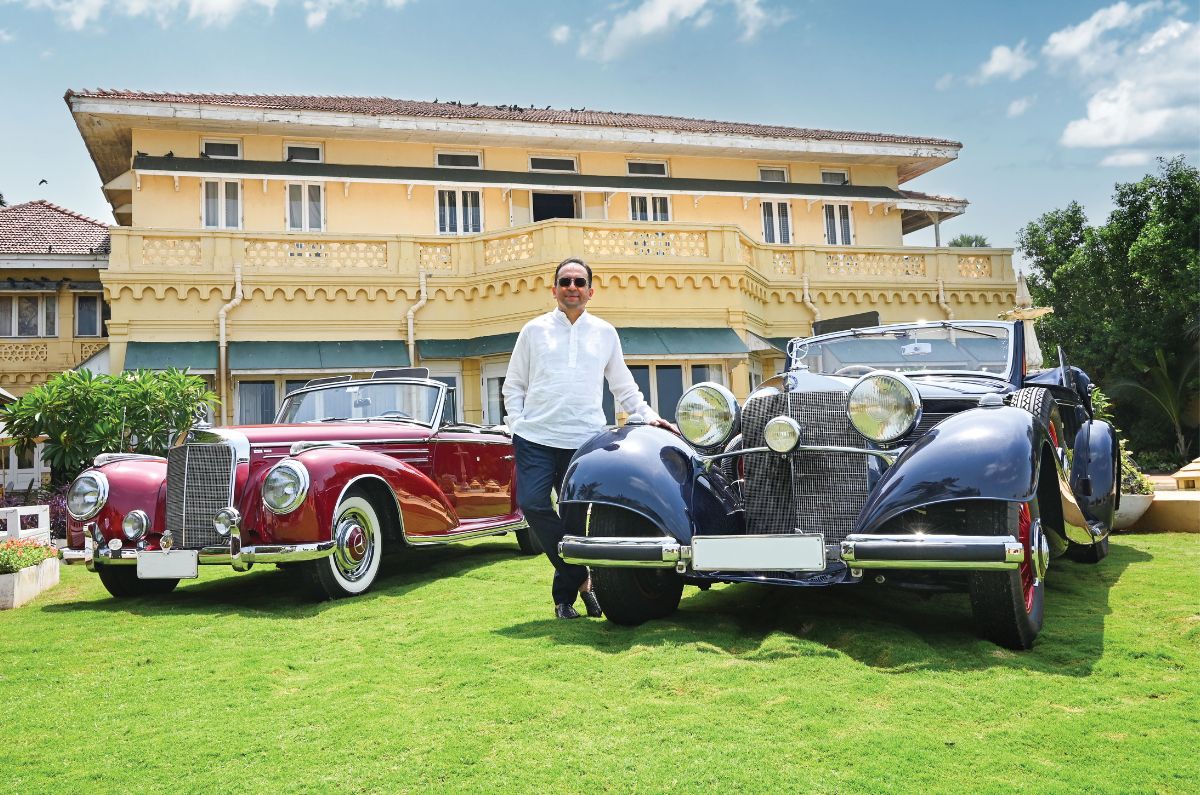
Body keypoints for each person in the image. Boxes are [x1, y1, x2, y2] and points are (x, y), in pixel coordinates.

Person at [503, 257, 677, 619]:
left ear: (590, 291)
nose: (572, 287)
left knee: (572, 523)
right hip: (535, 437)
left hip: (584, 442)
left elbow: (622, 386)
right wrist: (517, 422)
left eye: (579, 282)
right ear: (553, 290)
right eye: (564, 281)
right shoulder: (533, 331)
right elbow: (514, 384)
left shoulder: (604, 332)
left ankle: (564, 600)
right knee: (532, 503)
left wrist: (649, 416)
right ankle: (583, 579)